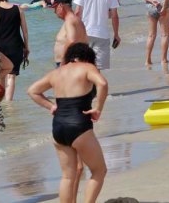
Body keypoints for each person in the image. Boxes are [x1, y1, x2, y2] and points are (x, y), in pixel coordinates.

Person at [27, 43, 108, 203]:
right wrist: (98, 108)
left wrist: (51, 106)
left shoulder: (56, 72)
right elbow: (102, 84)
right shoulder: (87, 67)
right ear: (87, 58)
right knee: (99, 171)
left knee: (67, 177)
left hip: (58, 128)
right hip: (79, 126)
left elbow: (32, 90)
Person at [74, 0, 121, 70]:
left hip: (85, 33)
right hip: (102, 35)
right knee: (96, 70)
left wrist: (75, 31)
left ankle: (85, 86)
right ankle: (95, 86)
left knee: (83, 66)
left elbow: (77, 13)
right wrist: (116, 35)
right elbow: (114, 16)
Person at [0, 0, 29, 100]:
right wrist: (26, 47)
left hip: (1, 48)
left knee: (1, 73)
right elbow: (25, 30)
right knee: (11, 76)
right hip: (16, 47)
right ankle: (9, 104)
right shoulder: (18, 9)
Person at [53, 0, 88, 67]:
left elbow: (71, 40)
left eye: (55, 8)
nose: (54, 12)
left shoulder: (70, 20)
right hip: (74, 62)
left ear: (60, 6)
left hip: (68, 63)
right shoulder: (75, 20)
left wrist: (63, 61)